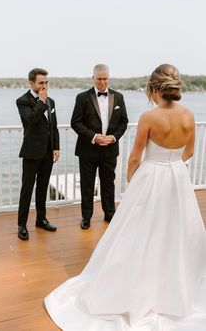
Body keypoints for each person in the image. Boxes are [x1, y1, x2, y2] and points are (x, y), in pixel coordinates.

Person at [44, 64, 206, 330]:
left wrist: (134, 175)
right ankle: (172, 288)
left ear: (154, 89)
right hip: (177, 178)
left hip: (152, 176)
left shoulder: (149, 117)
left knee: (138, 230)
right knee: (174, 231)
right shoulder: (189, 116)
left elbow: (135, 155)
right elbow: (189, 152)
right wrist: (173, 164)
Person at [71, 64, 128, 229]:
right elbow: (75, 122)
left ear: (109, 78)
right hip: (88, 150)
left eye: (105, 79)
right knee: (87, 185)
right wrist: (94, 137)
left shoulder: (119, 97)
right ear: (93, 78)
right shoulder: (82, 98)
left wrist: (113, 137)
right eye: (99, 79)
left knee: (108, 184)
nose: (103, 82)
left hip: (110, 150)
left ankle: (110, 214)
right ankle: (86, 217)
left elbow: (123, 122)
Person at [16, 68, 60, 240]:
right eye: (41, 83)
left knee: (43, 187)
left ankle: (41, 219)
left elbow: (53, 126)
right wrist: (41, 102)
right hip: (31, 152)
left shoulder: (51, 101)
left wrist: (56, 147)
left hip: (48, 152)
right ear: (31, 83)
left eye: (46, 82)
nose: (44, 86)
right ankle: (22, 225)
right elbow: (32, 120)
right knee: (27, 189)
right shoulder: (23, 101)